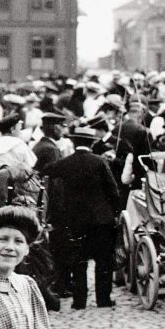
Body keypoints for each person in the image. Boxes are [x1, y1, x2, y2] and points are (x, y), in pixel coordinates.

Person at [44, 123, 122, 310]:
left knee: (78, 262)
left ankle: (79, 301)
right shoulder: (100, 161)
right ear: (92, 143)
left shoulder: (65, 163)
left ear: (74, 142)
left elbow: (46, 169)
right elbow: (113, 191)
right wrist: (116, 213)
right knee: (104, 262)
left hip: (75, 221)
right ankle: (103, 299)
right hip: (101, 220)